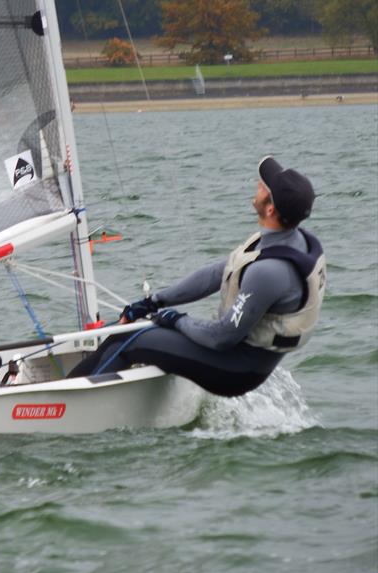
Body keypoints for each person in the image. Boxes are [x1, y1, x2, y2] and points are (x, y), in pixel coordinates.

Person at [68, 156, 326, 397]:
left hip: (236, 371)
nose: (258, 184)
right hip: (238, 355)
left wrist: (177, 320)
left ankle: (69, 400)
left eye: (263, 187)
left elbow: (221, 337)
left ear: (271, 209)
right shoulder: (287, 240)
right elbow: (217, 274)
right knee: (136, 326)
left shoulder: (270, 271)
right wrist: (155, 302)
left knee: (126, 340)